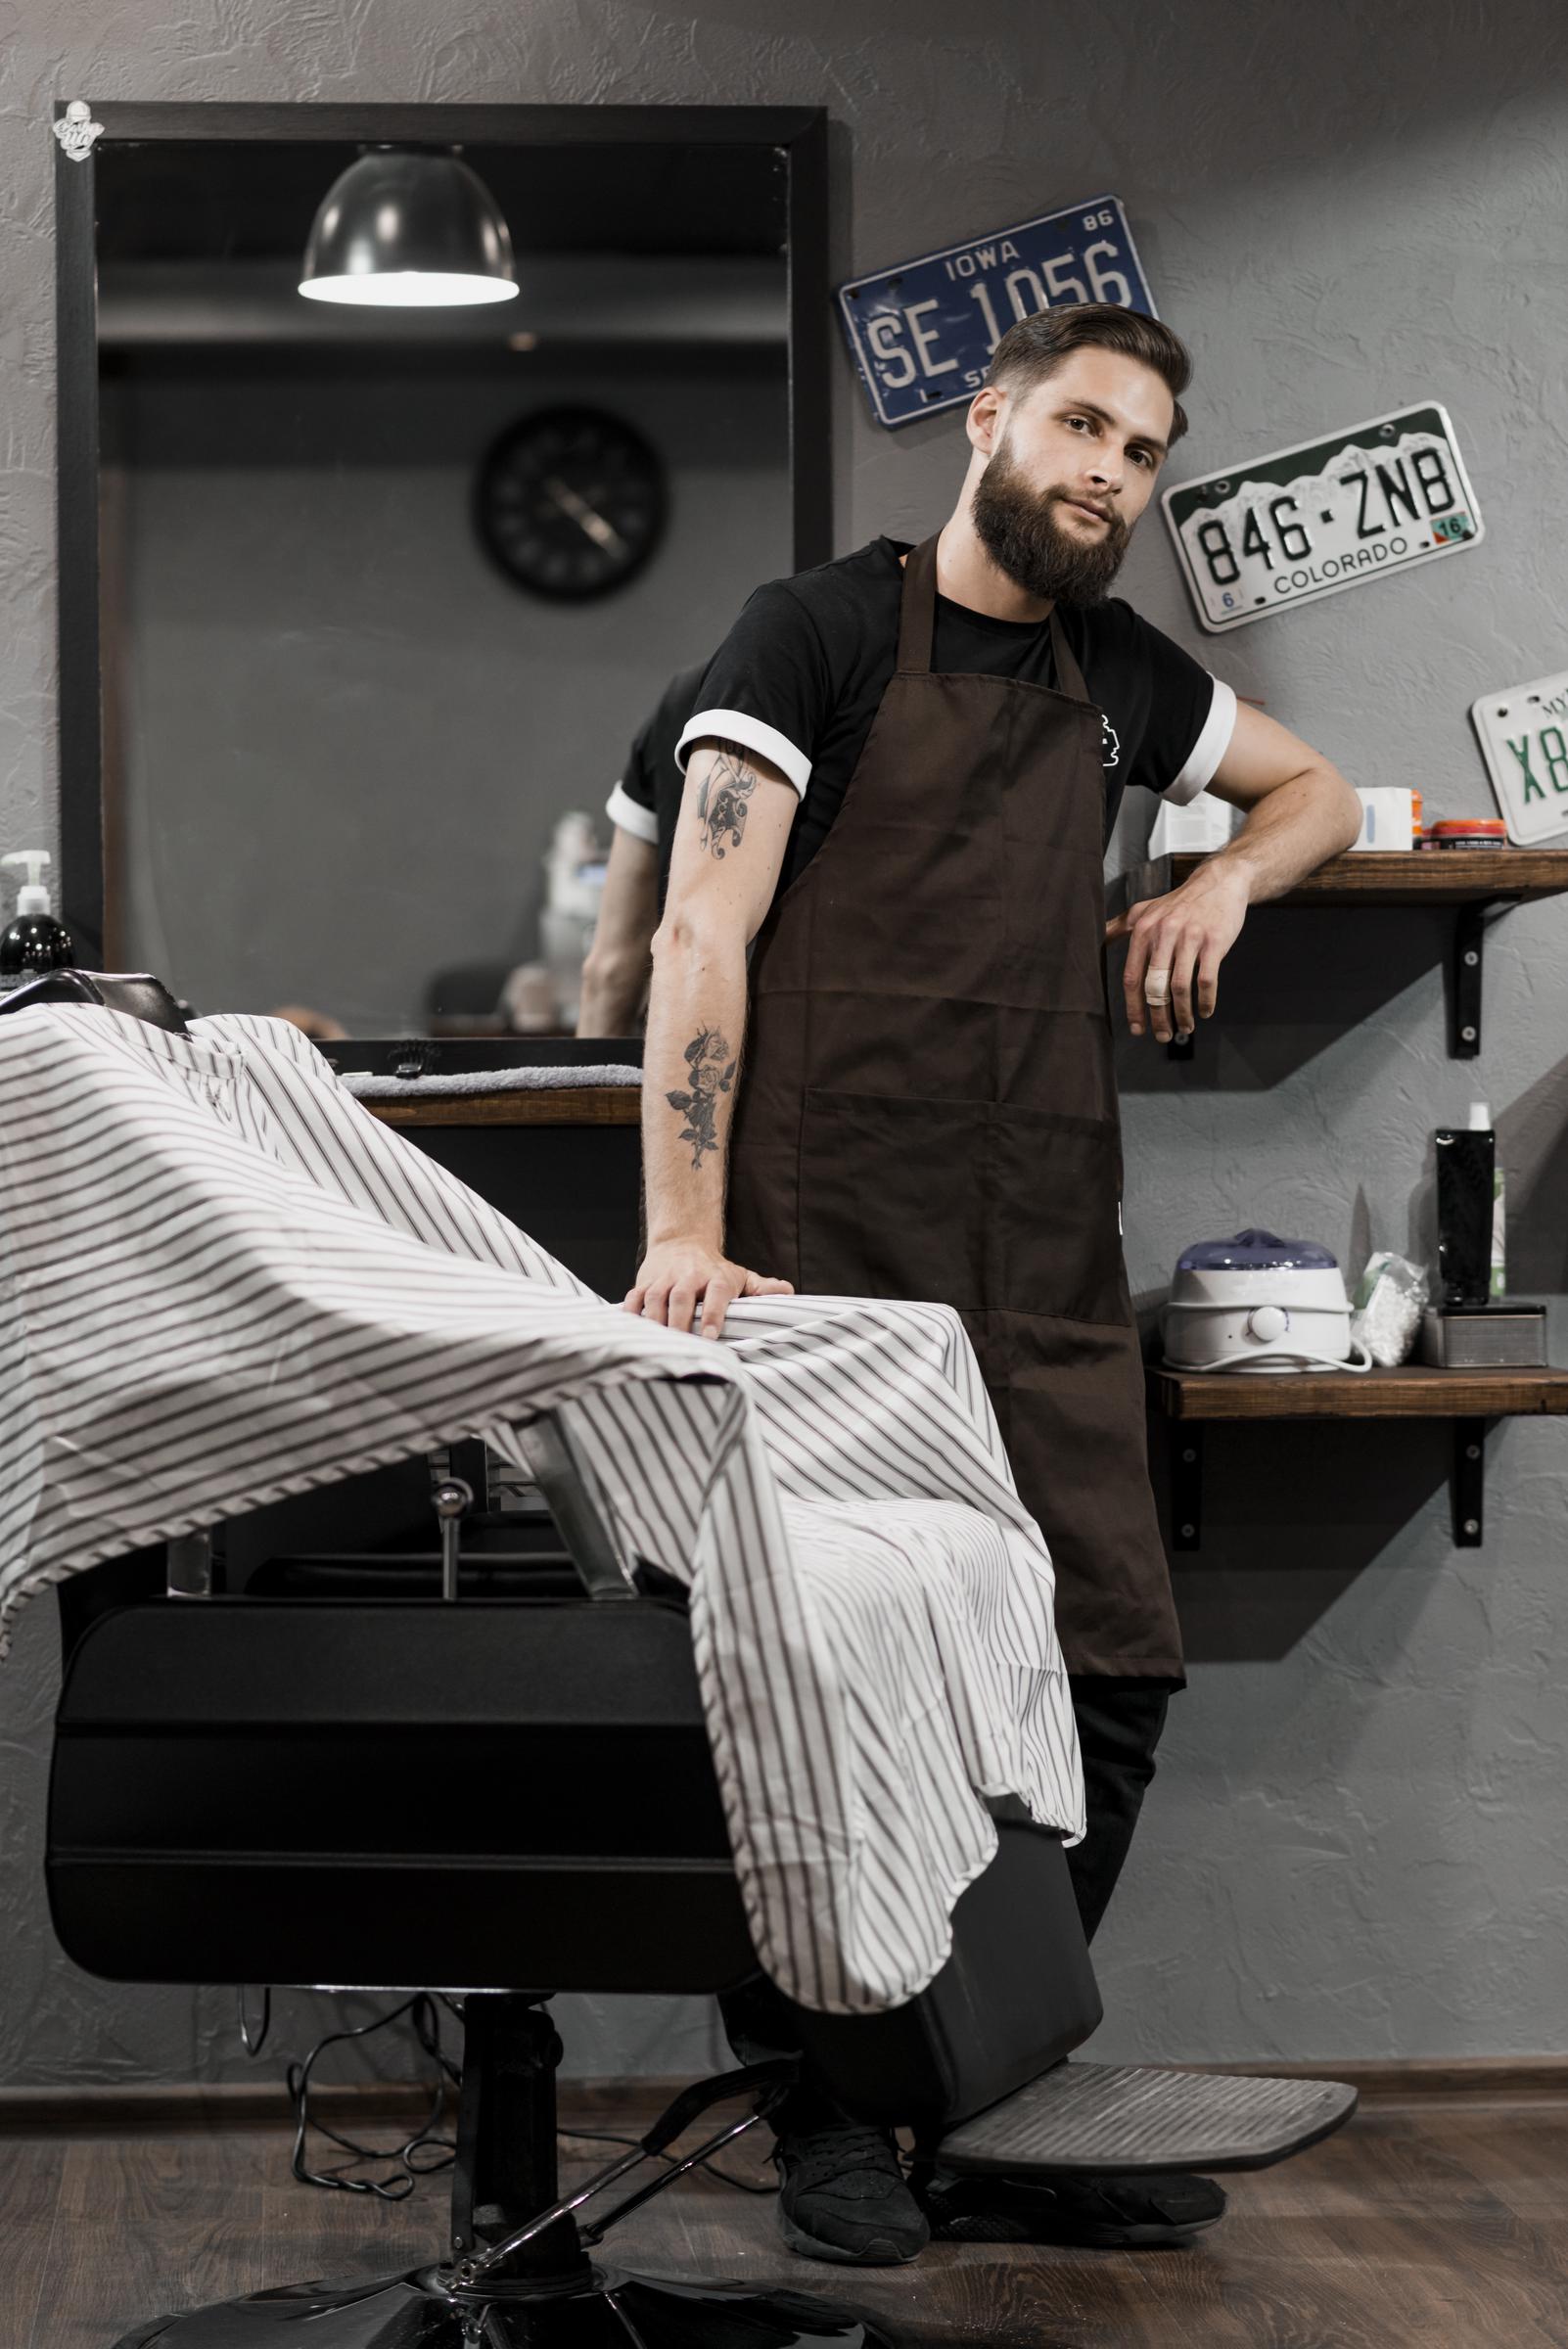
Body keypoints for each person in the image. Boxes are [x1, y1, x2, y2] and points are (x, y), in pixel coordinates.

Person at [596, 303, 1361, 2264]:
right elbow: (697, 928)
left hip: (1033, 1270)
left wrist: (1216, 880)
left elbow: (1323, 796)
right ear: (988, 418)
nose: (1114, 467)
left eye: (1149, 449)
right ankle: (827, 2116)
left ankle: (976, 2101)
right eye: (1086, 424)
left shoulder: (1115, 679)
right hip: (817, 1265)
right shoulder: (818, 636)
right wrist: (682, 1232)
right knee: (821, 1696)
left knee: (1105, 1682)